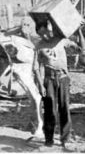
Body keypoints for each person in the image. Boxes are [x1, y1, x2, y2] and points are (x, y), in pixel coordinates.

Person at [33, 20, 79, 149]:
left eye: (46, 33)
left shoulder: (61, 40)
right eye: (41, 34)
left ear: (49, 30)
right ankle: (49, 139)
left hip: (63, 78)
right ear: (39, 34)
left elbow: (79, 47)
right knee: (49, 110)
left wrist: (78, 30)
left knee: (64, 108)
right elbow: (36, 67)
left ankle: (65, 138)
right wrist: (41, 86)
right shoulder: (39, 46)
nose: (45, 36)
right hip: (49, 80)